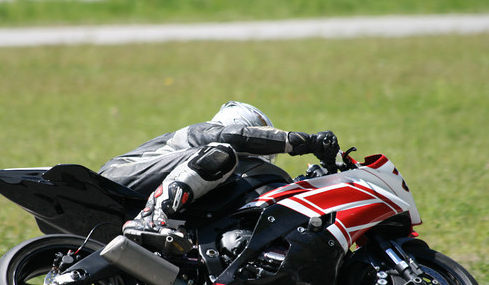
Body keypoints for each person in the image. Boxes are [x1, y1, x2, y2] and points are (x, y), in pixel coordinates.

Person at [99, 101, 339, 244]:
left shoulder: (206, 178)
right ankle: (151, 219)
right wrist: (303, 142)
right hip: (117, 179)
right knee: (222, 153)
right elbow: (235, 138)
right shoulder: (203, 132)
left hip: (138, 194)